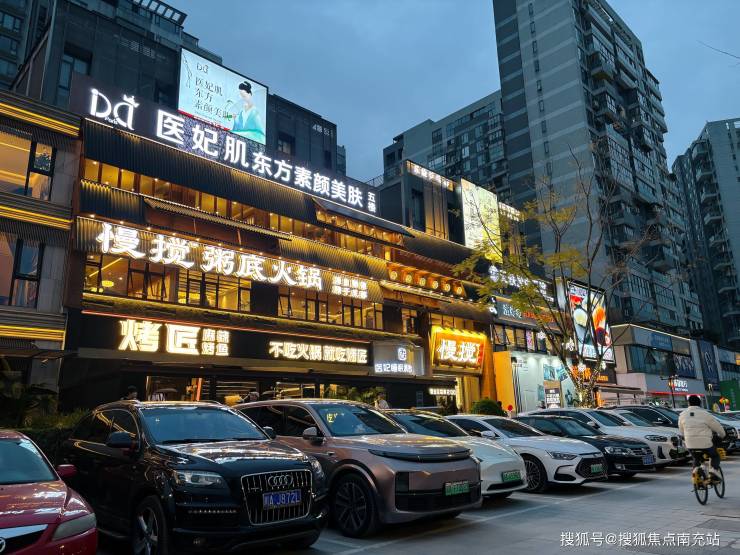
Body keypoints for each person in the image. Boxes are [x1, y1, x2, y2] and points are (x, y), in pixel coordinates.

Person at [678, 395, 726, 481]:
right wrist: (722, 435)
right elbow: (717, 427)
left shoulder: (682, 415)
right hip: (705, 444)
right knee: (715, 456)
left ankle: (696, 473)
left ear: (688, 403)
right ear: (700, 403)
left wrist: (686, 438)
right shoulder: (705, 414)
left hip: (690, 444)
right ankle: (714, 470)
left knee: (696, 458)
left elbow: (681, 431)